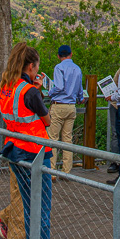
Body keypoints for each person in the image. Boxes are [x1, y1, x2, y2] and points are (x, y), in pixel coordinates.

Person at [0, 42, 70, 239]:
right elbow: (46, 120)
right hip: (35, 153)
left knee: (30, 204)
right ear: (31, 66)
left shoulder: (6, 86)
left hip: (14, 149)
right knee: (41, 206)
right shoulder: (29, 91)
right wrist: (37, 90)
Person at [47, 45, 85, 176]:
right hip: (71, 106)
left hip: (59, 105)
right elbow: (80, 89)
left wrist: (50, 93)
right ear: (71, 54)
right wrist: (80, 98)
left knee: (53, 139)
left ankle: (52, 171)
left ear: (58, 56)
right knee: (67, 139)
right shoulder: (77, 69)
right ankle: (66, 171)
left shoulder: (59, 67)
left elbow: (59, 86)